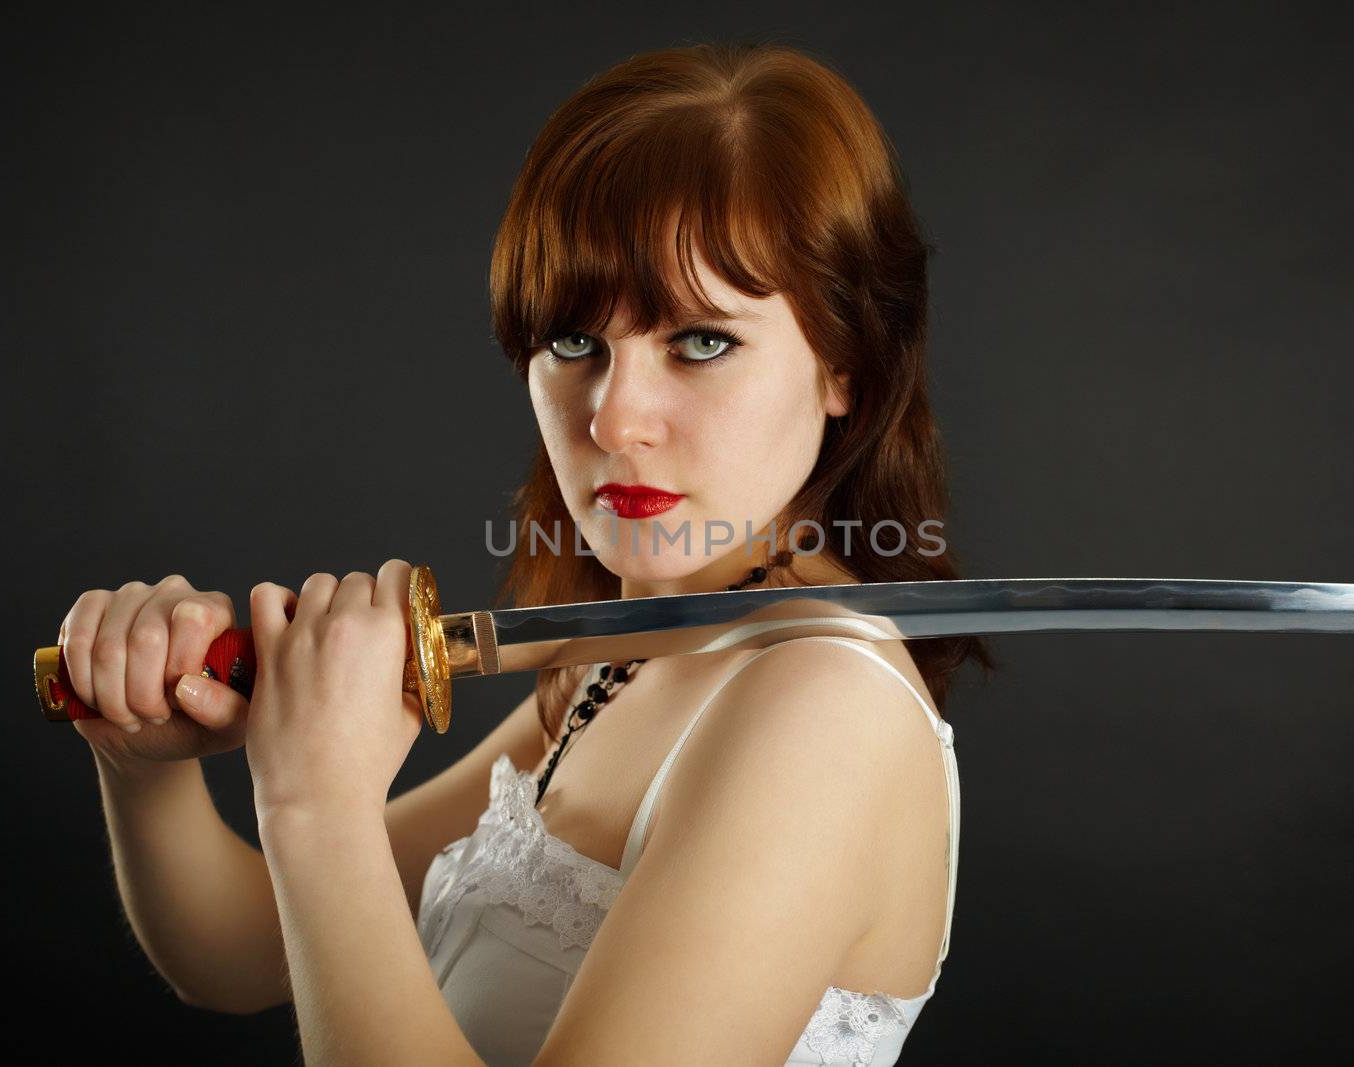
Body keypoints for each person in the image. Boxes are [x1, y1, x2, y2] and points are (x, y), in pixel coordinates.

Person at [60, 40, 998, 1065]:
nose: (615, 418)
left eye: (700, 341)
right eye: (574, 343)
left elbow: (316, 866)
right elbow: (239, 950)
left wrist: (315, 803)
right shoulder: (622, 652)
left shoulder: (822, 702)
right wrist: (139, 760)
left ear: (844, 365)